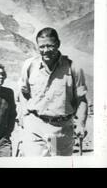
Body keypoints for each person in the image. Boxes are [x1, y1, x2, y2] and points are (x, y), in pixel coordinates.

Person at [18, 27, 88, 156]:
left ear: (58, 44)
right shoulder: (29, 66)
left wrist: (81, 124)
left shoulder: (73, 67)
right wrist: (24, 114)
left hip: (61, 130)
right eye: (42, 47)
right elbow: (23, 92)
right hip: (35, 127)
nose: (45, 51)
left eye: (50, 46)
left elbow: (81, 100)